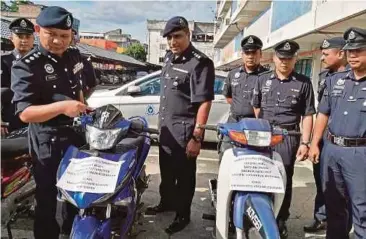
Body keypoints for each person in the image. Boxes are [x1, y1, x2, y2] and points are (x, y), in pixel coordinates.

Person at [11, 6, 88, 239]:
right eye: (51, 34)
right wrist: (64, 107)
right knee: (47, 200)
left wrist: (82, 107)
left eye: (64, 36)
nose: (58, 41)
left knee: (76, 195)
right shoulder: (26, 65)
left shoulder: (74, 55)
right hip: (48, 141)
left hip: (76, 137)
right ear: (37, 30)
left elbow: (79, 87)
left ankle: (71, 233)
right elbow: (25, 113)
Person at [146, 16, 215, 234]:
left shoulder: (200, 63)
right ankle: (166, 203)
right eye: (168, 38)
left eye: (177, 36)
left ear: (188, 35)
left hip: (185, 133)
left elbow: (204, 102)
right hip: (166, 129)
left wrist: (197, 137)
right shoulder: (169, 58)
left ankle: (183, 215)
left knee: (184, 178)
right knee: (166, 173)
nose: (172, 42)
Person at [252, 39, 315, 238]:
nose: (284, 62)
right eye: (281, 58)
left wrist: (305, 142)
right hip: (264, 135)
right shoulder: (262, 79)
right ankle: (260, 216)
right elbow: (256, 108)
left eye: (289, 58)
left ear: (295, 59)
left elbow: (307, 115)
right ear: (273, 58)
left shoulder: (303, 83)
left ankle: (280, 220)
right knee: (260, 177)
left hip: (288, 137)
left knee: (284, 180)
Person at [308, 27, 366, 239]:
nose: (352, 55)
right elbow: (323, 113)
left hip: (360, 153)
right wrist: (315, 143)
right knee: (334, 207)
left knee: (362, 210)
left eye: (358, 50)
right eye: (350, 51)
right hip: (331, 151)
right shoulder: (335, 80)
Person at [304, 36, 348, 233]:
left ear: (341, 53)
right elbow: (321, 110)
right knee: (322, 180)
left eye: (326, 54)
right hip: (324, 138)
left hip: (346, 141)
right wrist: (313, 141)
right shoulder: (324, 76)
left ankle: (344, 223)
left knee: (344, 187)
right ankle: (321, 217)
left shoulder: (353, 76)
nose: (322, 58)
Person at [1, 17, 34, 134]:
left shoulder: (41, 63)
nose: (24, 40)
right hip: (11, 119)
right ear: (11, 38)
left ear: (33, 39)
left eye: (27, 37)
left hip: (35, 118)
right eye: (20, 36)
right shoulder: (3, 61)